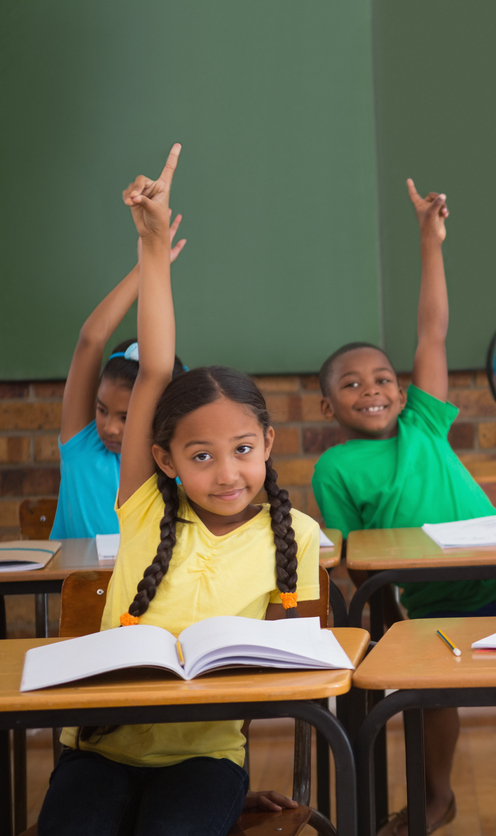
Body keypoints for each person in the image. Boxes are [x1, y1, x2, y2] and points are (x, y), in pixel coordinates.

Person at [39, 145, 319, 836]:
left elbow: (306, 669)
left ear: (269, 447)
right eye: (202, 456)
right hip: (101, 750)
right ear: (164, 460)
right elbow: (156, 367)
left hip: (206, 757)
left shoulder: (300, 537)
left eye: (243, 450)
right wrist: (152, 245)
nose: (227, 473)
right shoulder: (144, 508)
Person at [312, 181, 496, 834]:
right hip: (430, 600)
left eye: (384, 379)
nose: (372, 390)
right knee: (423, 696)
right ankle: (435, 794)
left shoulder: (423, 422)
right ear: (327, 407)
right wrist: (385, 615)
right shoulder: (334, 466)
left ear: (404, 391)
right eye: (351, 384)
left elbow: (433, 329)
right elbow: (349, 558)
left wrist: (430, 241)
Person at [50, 221, 188, 540]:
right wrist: (146, 268)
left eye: (126, 417)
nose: (109, 427)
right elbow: (91, 340)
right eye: (102, 410)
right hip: (81, 590)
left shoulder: (174, 465)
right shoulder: (81, 444)